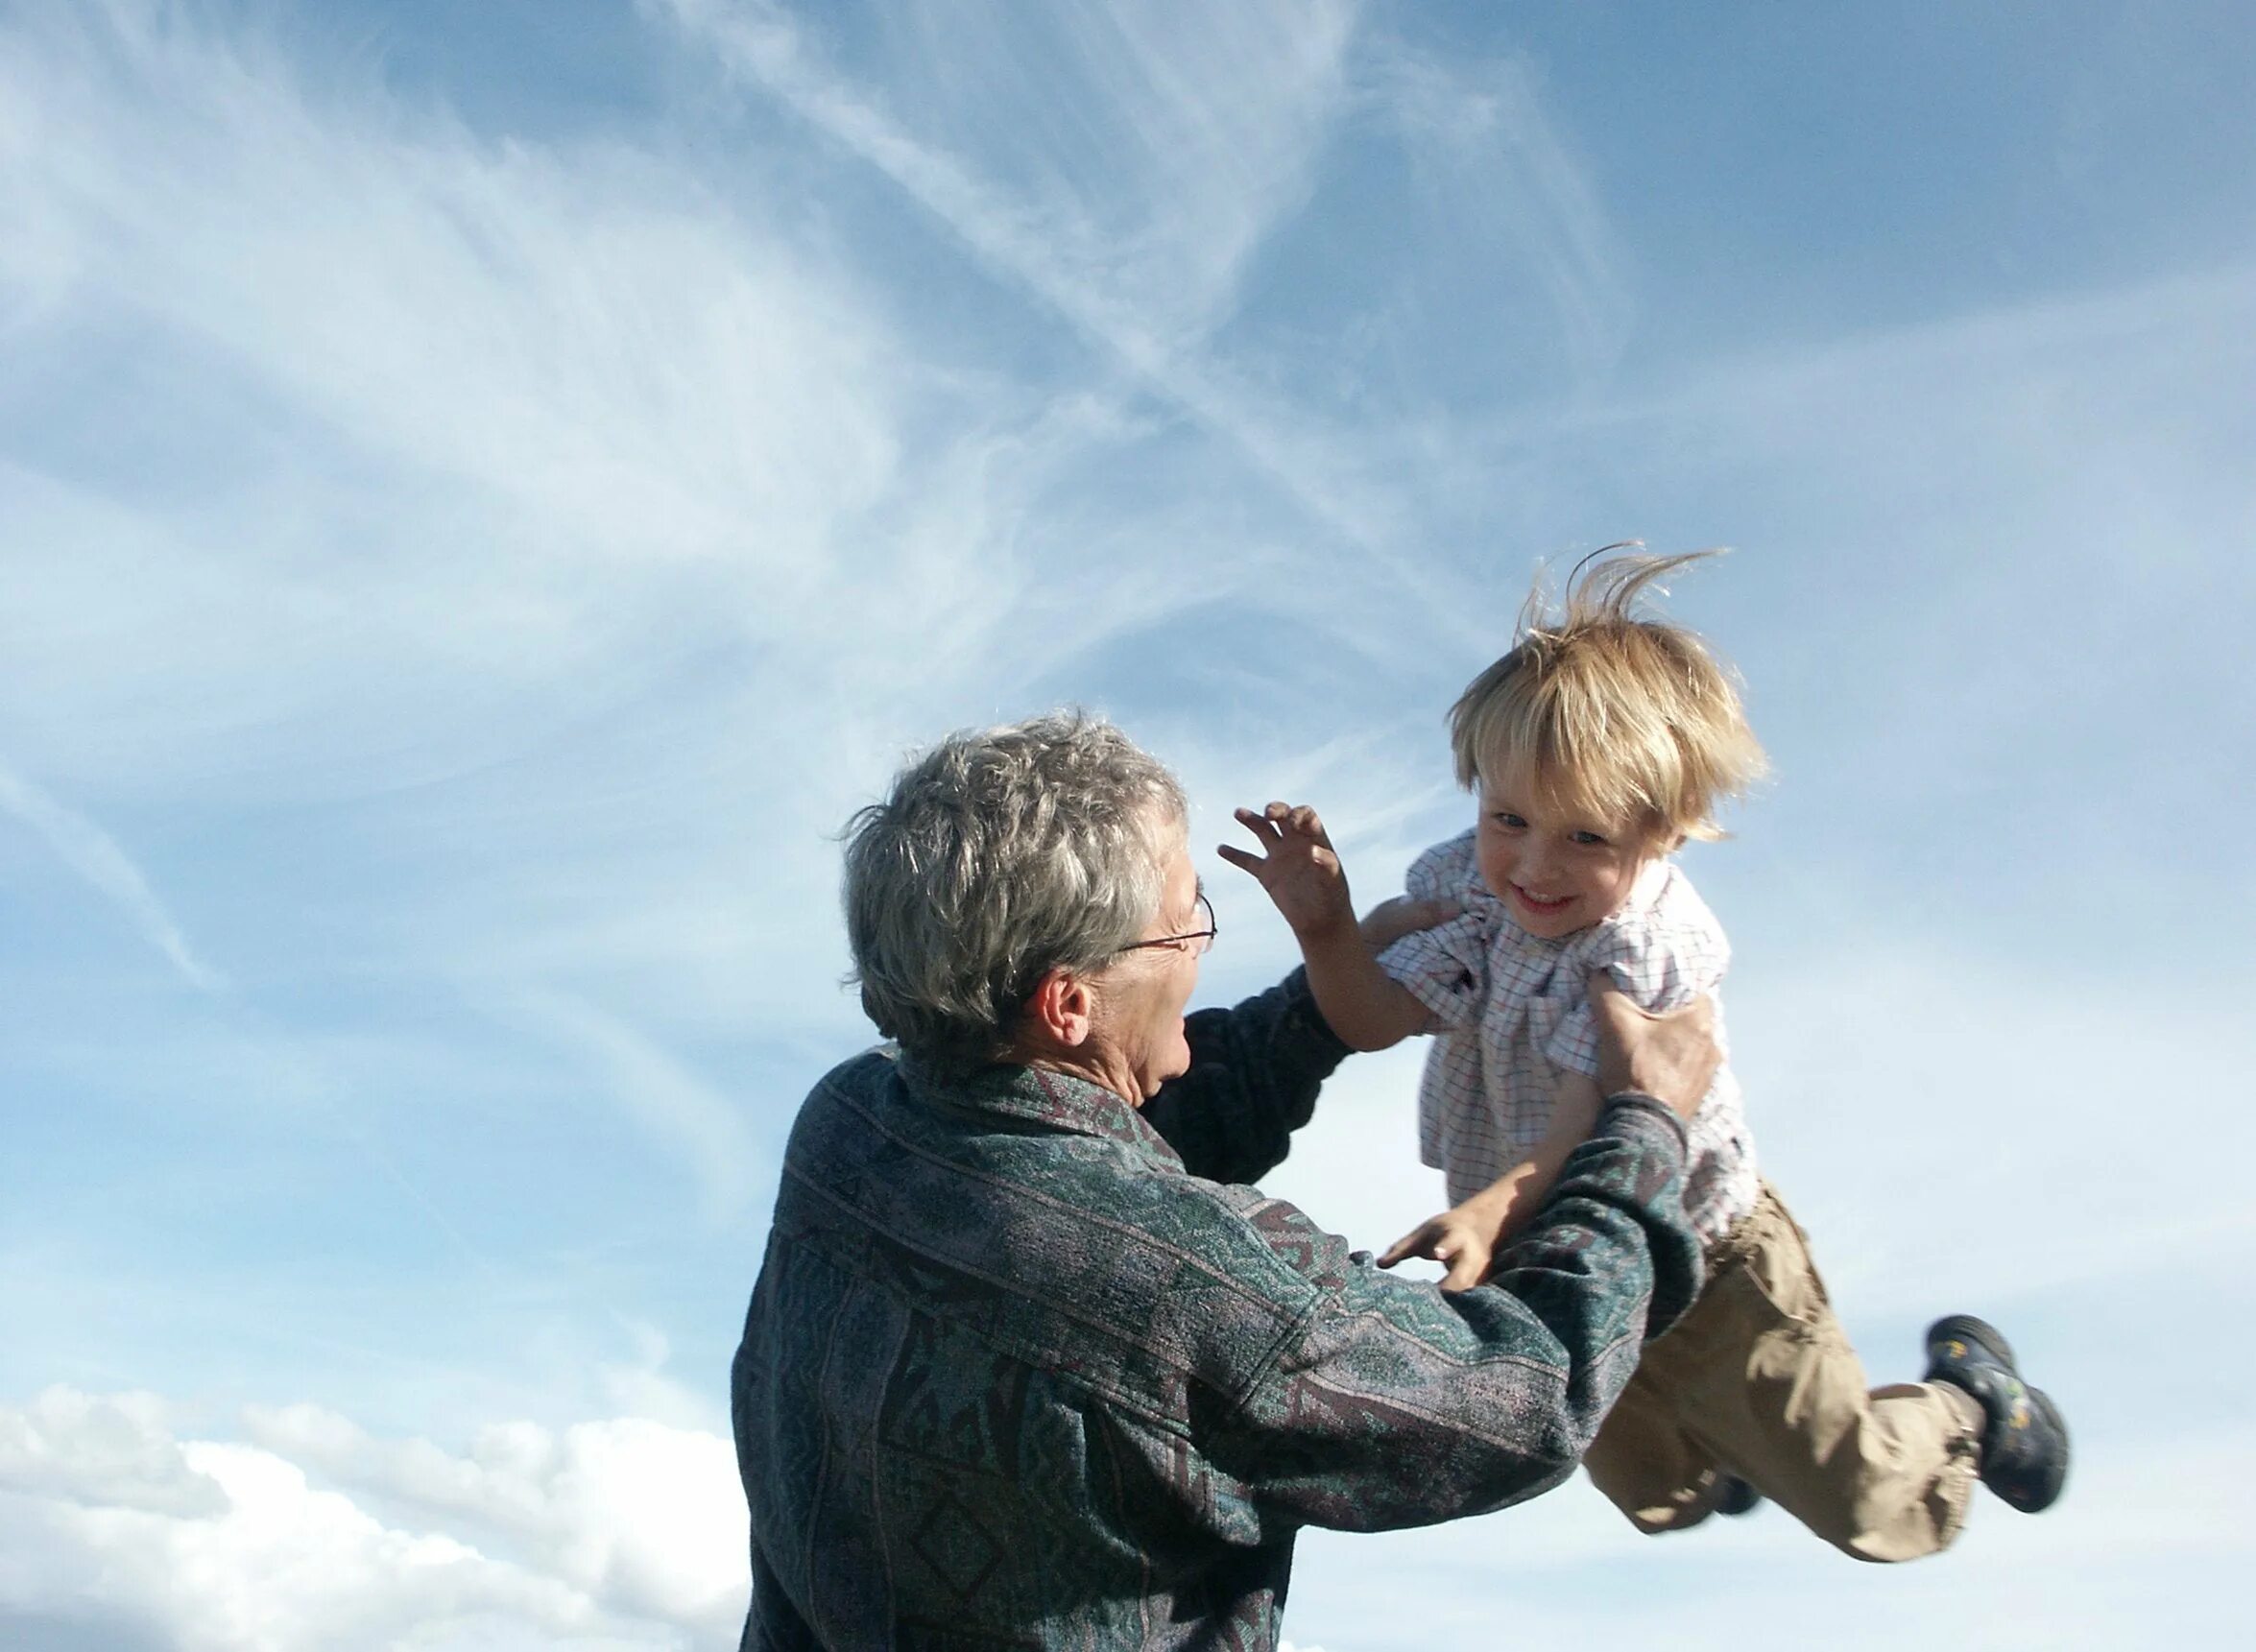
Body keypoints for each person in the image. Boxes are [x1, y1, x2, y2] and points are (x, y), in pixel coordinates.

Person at [732, 710, 1717, 1649]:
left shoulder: (849, 1127)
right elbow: (1526, 1394)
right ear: (1069, 1002)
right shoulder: (1204, 1291)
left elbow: (1094, 1155)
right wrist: (1643, 1127)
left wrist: (1327, 996)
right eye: (1181, 923)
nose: (1202, 944)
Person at [1222, 548, 2069, 1565]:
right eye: (1508, 817)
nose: (1534, 864)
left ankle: (1968, 1401)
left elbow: (1607, 1109)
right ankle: (1727, 1452)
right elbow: (1370, 1014)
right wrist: (1327, 929)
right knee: (1652, 1493)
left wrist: (1488, 1207)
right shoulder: (1475, 893)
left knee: (1863, 1503)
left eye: (1584, 835)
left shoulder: (1646, 944)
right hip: (1566, 1255)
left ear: (1661, 832)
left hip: (1708, 1260)